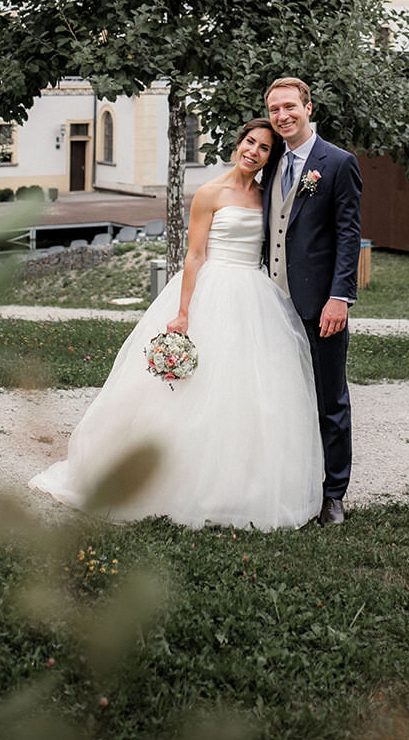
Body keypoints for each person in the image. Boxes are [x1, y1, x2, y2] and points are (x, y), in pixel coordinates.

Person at [28, 118, 323, 530]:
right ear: (238, 144)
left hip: (255, 297)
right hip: (211, 290)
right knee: (188, 393)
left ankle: (240, 485)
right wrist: (184, 312)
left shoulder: (267, 197)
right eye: (250, 142)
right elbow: (195, 255)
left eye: (264, 148)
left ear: (271, 157)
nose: (254, 151)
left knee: (251, 393)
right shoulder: (209, 193)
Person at [263, 76, 362, 526]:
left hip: (321, 305)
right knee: (281, 398)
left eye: (289, 107)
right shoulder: (270, 164)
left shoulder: (338, 163)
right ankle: (291, 485)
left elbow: (348, 235)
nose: (282, 116)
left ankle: (334, 494)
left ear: (307, 106)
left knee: (329, 400)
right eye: (274, 110)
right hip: (271, 304)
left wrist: (339, 298)